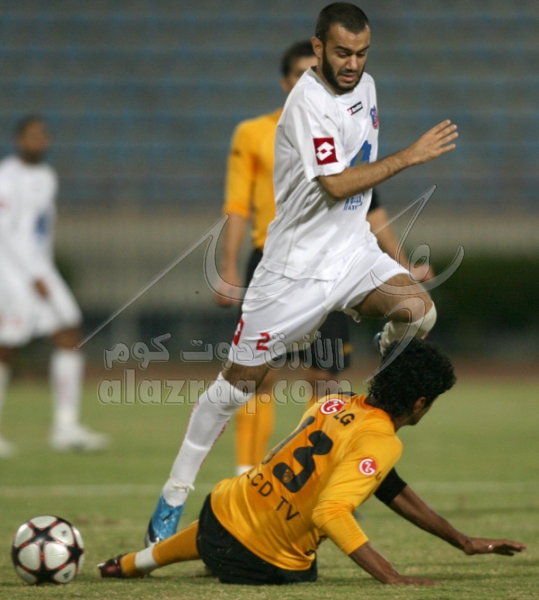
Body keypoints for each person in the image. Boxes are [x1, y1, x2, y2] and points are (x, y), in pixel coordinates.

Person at [145, 2, 458, 545]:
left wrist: (390, 252)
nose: (353, 63)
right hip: (293, 272)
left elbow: (361, 184)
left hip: (352, 254)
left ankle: (387, 347)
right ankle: (173, 494)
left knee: (418, 311)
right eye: (342, 52)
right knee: (236, 388)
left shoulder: (367, 87)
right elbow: (335, 185)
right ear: (318, 48)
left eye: (361, 53)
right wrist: (411, 156)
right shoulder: (307, 102)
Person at [101, 339, 526, 586]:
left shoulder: (334, 403)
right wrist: (391, 576)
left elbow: (390, 487)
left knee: (250, 507)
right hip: (262, 563)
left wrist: (462, 541)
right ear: (419, 403)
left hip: (218, 513)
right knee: (300, 562)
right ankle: (158, 560)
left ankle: (134, 562)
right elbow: (330, 512)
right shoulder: (382, 441)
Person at [217, 41, 433, 475]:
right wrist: (227, 266)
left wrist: (401, 264)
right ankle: (245, 474)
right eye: (301, 74)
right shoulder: (255, 134)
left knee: (324, 377)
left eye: (314, 73)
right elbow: (237, 205)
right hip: (274, 260)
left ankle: (310, 475)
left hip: (334, 262)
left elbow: (371, 206)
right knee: (262, 374)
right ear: (286, 83)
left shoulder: (342, 127)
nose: (310, 81)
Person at [0, 116, 109, 455]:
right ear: (19, 140)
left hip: (41, 270)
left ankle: (65, 427)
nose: (38, 141)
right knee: (6, 346)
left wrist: (41, 270)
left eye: (43, 136)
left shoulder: (47, 176)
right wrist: (30, 275)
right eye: (32, 136)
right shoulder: (6, 177)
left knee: (69, 335)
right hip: (12, 271)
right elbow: (5, 232)